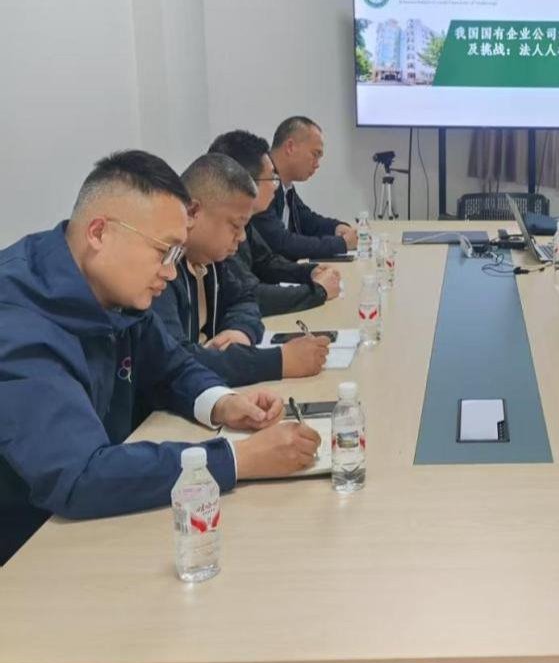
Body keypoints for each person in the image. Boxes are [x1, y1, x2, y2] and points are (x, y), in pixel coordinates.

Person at [0, 151, 321, 565]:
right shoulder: (18, 318)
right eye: (164, 252)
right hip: (26, 552)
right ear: (98, 233)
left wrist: (223, 403)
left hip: (89, 523)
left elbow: (171, 366)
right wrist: (238, 459)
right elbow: (79, 476)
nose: (171, 273)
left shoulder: (112, 287)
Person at [150, 152, 329, 387]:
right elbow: (172, 362)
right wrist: (279, 361)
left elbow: (245, 299)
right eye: (235, 225)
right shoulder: (159, 272)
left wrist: (240, 331)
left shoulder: (211, 259)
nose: (242, 236)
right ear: (193, 212)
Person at [209, 129, 342, 316]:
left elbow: (266, 261)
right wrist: (318, 291)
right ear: (244, 183)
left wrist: (309, 272)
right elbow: (249, 294)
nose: (275, 186)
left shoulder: (243, 221)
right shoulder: (216, 232)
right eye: (272, 178)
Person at [250, 115, 356, 261]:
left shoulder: (286, 186)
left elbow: (307, 220)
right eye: (315, 154)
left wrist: (336, 228)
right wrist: (340, 244)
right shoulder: (261, 183)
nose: (317, 164)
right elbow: (281, 243)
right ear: (290, 147)